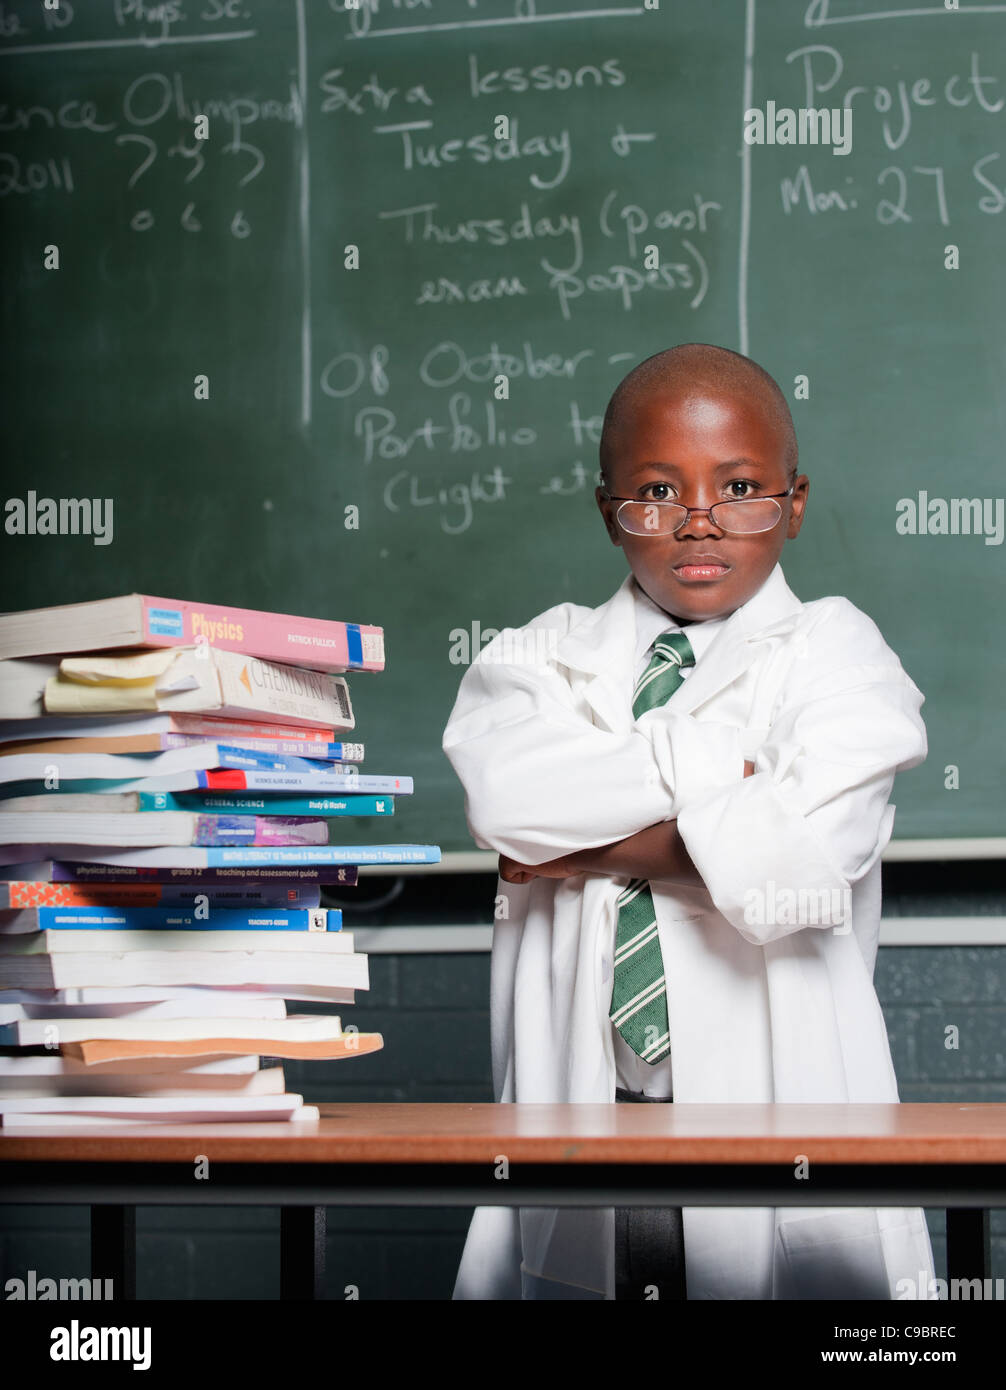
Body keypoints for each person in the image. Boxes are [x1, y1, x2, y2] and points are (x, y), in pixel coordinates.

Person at [441, 342, 938, 1300]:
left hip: (779, 1117)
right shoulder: (539, 655)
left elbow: (797, 865)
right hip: (581, 1120)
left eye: (743, 485)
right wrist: (718, 770)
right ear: (608, 510)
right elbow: (504, 803)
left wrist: (563, 855)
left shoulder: (838, 652)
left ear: (794, 503)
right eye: (657, 492)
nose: (699, 521)